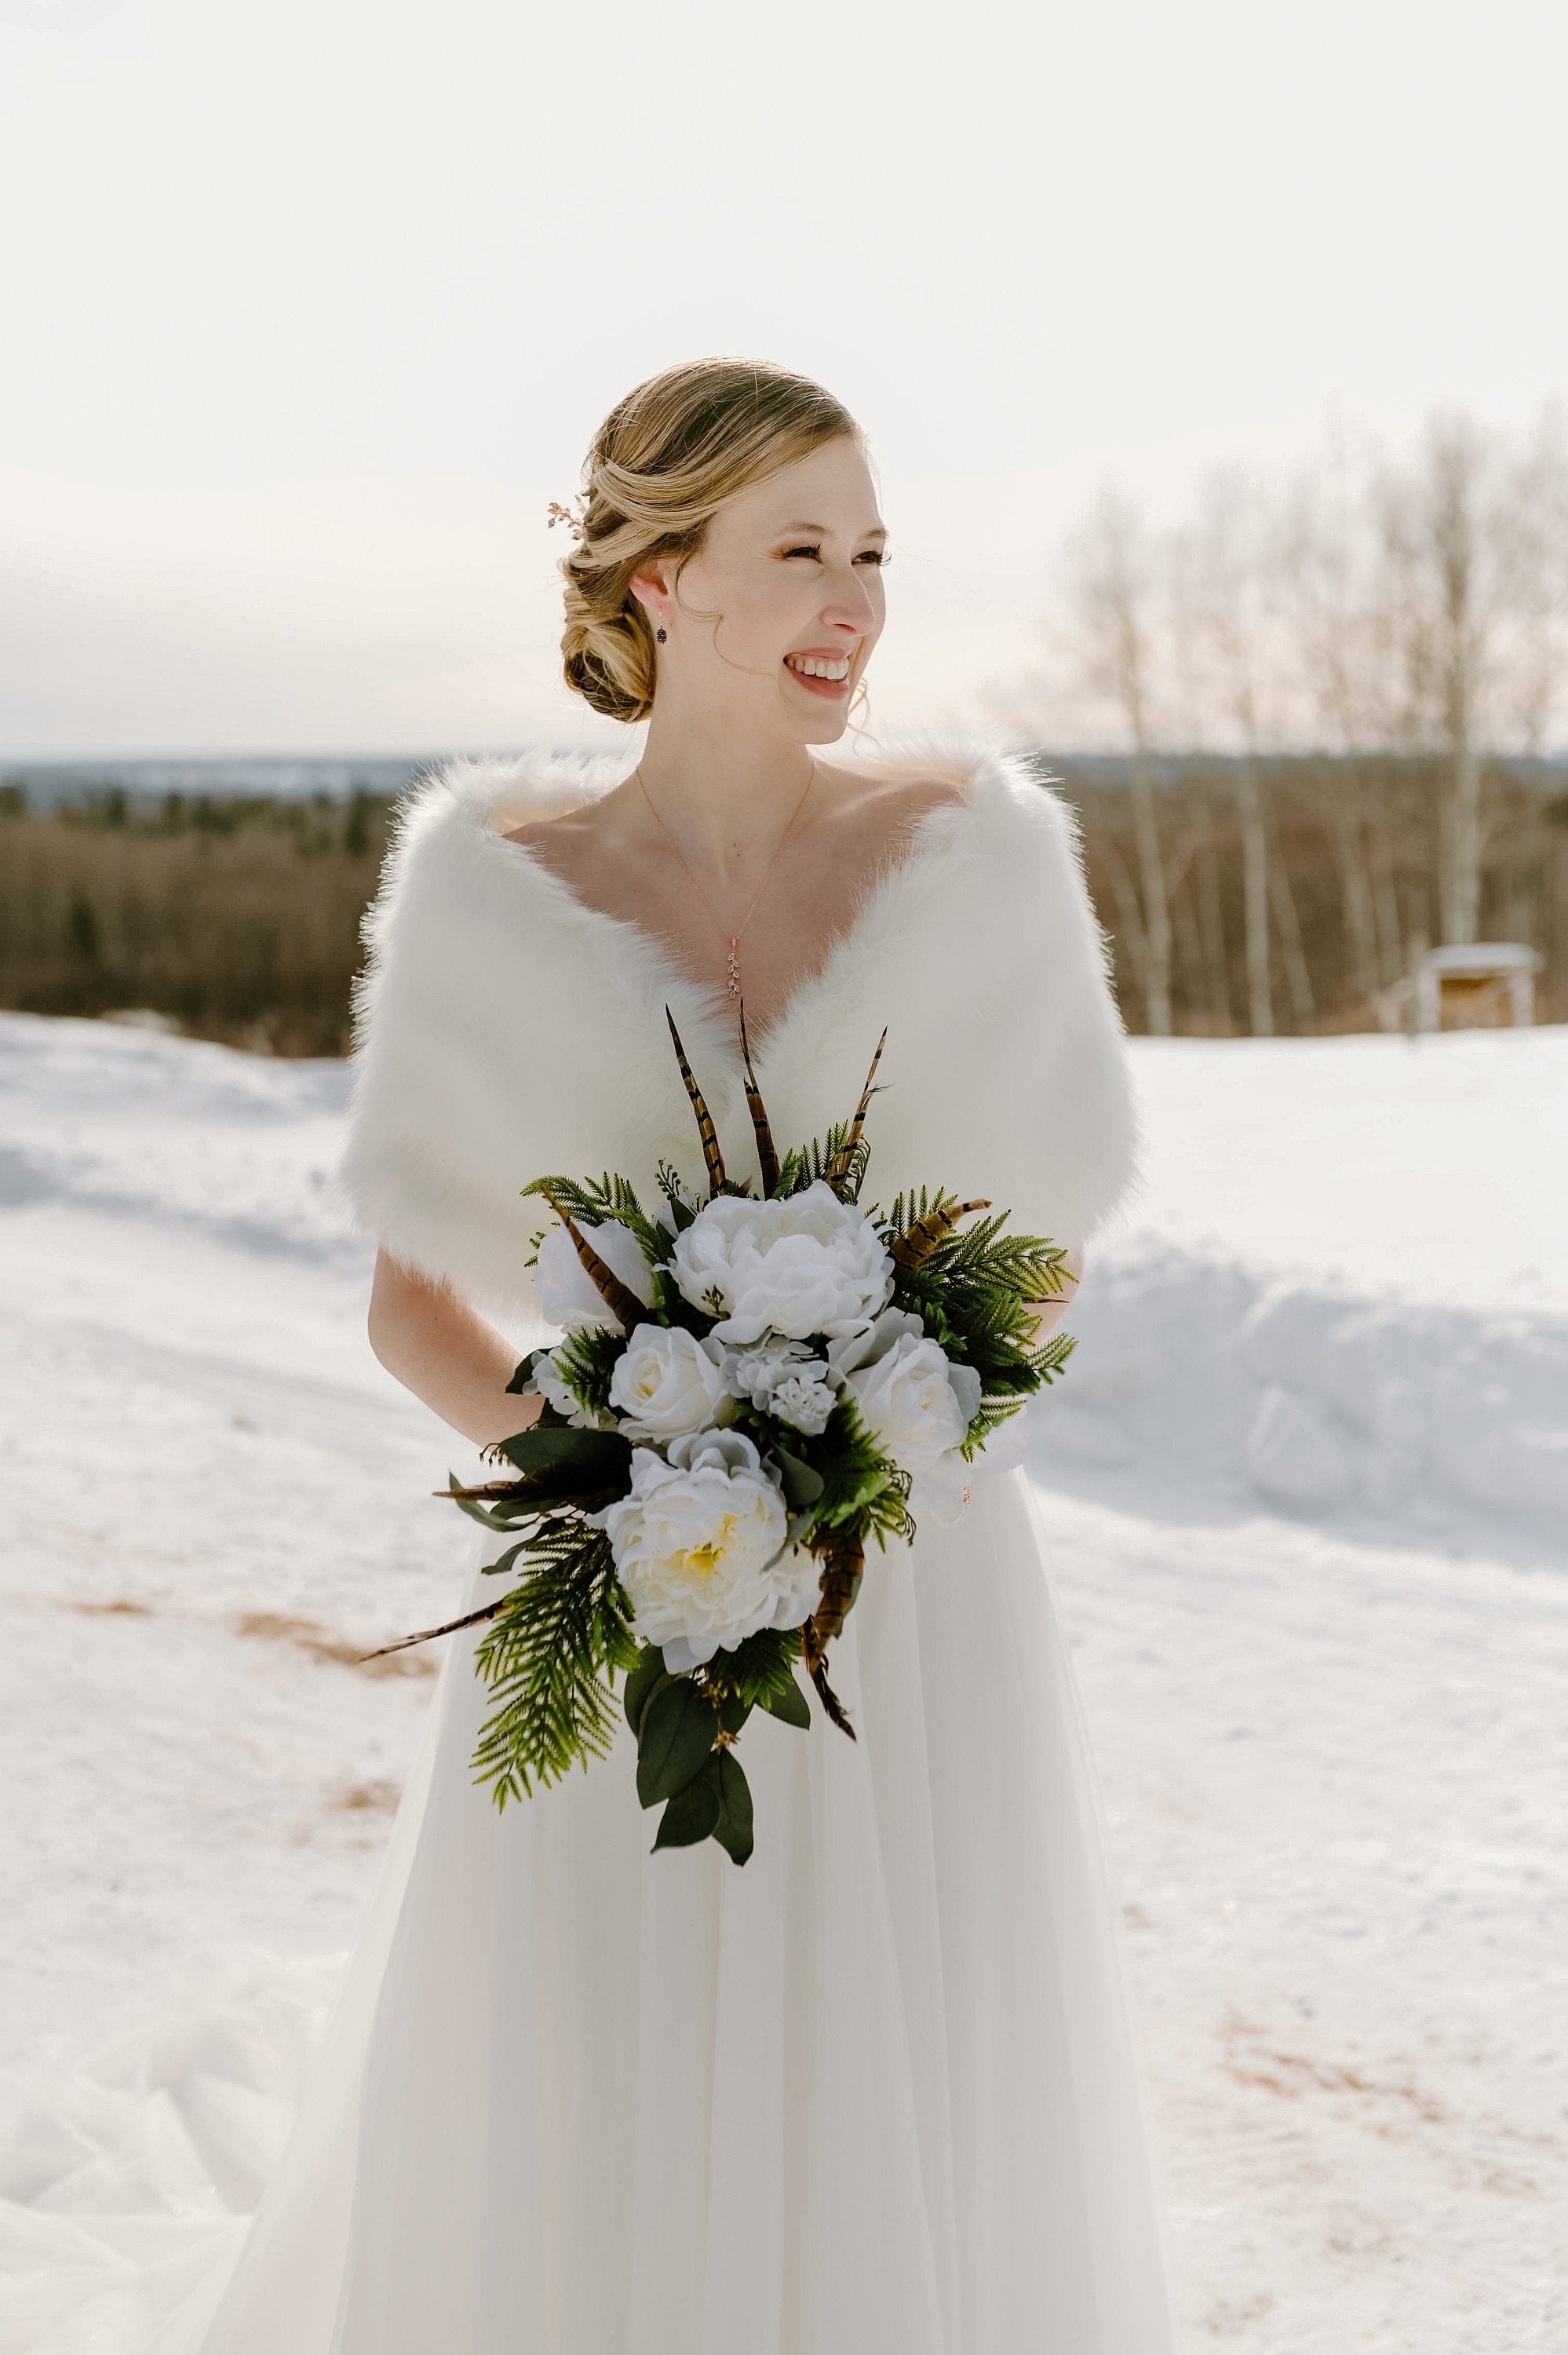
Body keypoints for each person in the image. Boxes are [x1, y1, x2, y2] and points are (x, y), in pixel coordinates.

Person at [181, 357, 1172, 2353]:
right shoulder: (496, 891)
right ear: (657, 583)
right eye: (798, 550)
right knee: (604, 2088)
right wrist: (645, 1494)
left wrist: (869, 1472)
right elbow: (414, 1307)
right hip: (624, 1605)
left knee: (919, 2091)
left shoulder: (981, 859)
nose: (854, 604)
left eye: (874, 552)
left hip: (917, 1607)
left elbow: (1046, 1264)